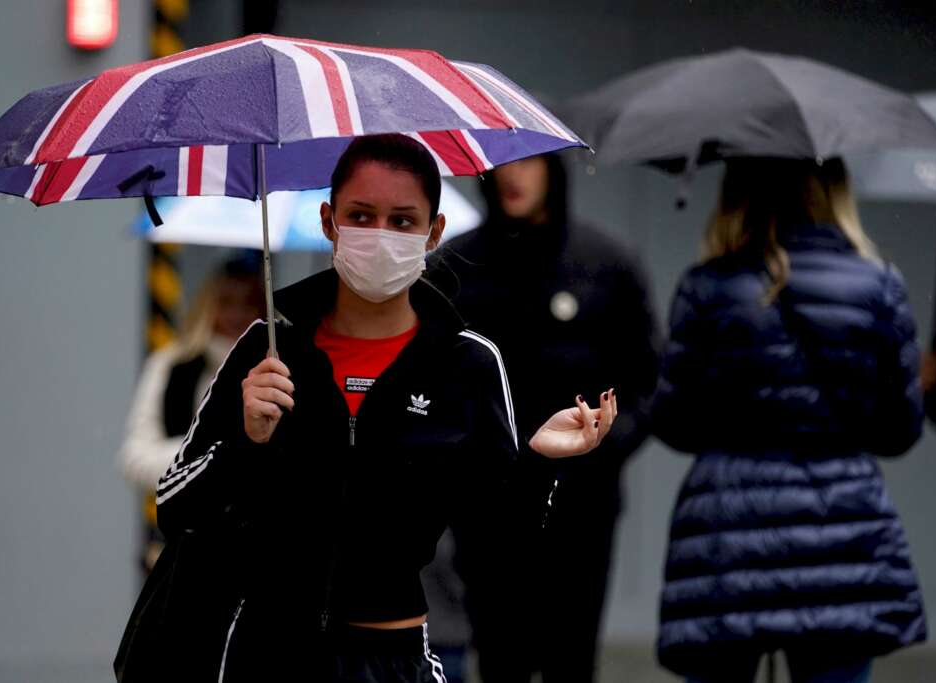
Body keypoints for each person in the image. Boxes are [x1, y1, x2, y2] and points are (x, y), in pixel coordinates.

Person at [121, 134, 617, 683]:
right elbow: (177, 506)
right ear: (330, 221)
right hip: (264, 658)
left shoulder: (467, 363)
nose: (380, 236)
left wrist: (539, 461)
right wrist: (245, 440)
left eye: (403, 221)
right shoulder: (269, 349)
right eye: (361, 215)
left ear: (434, 232)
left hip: (392, 659)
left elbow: (500, 544)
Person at [651, 158, 927, 683]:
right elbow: (898, 432)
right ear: (833, 188)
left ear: (738, 189)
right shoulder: (879, 286)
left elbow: (675, 424)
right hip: (842, 533)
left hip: (727, 533)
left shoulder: (707, 286)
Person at [426, 153, 659, 682]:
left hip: (583, 502)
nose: (515, 176)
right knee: (500, 652)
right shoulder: (457, 266)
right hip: (489, 506)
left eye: (528, 163)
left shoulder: (607, 262)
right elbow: (433, 383)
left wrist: (607, 443)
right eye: (504, 165)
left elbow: (648, 379)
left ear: (554, 171)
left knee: (571, 657)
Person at [117, 255, 264, 574]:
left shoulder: (278, 371)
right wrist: (204, 460)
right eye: (226, 302)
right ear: (208, 305)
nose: (238, 314)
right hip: (182, 548)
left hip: (259, 550)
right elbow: (134, 455)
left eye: (250, 302)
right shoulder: (171, 366)